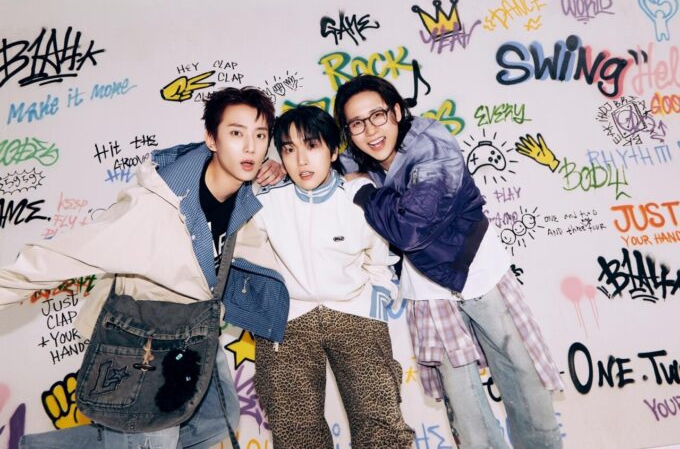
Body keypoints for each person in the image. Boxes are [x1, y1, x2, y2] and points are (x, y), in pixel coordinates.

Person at [0, 86, 288, 449]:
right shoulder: (156, 205)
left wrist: (278, 163)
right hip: (146, 337)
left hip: (196, 328)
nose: (250, 147)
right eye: (236, 133)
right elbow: (57, 257)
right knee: (152, 438)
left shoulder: (243, 195)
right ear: (211, 139)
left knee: (217, 420)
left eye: (259, 136)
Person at [334, 75, 564, 449]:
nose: (370, 130)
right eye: (356, 124)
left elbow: (411, 230)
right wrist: (278, 167)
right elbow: (317, 161)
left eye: (377, 115)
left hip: (479, 274)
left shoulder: (432, 146)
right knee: (467, 413)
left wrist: (363, 191)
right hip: (427, 293)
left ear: (396, 112)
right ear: (348, 131)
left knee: (525, 385)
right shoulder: (355, 159)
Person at [247, 105, 414, 449]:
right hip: (287, 323)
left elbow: (379, 262)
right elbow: (248, 261)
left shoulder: (357, 199)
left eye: (312, 146)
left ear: (333, 151)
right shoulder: (266, 203)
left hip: (355, 315)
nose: (301, 160)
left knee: (381, 425)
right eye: (289, 149)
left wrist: (373, 306)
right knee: (295, 432)